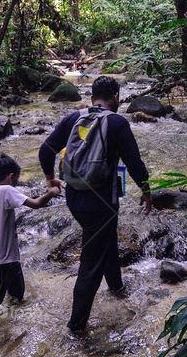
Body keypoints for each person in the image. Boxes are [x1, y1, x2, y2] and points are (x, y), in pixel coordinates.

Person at [39, 76, 152, 333]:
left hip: (74, 198)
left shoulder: (72, 119)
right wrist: (146, 192)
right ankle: (76, 328)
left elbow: (45, 151)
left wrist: (50, 180)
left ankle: (116, 287)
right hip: (102, 201)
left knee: (105, 238)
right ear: (116, 98)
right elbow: (134, 163)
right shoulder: (118, 123)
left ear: (91, 98)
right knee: (91, 263)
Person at [0, 154, 59, 332]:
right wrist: (51, 193)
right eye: (17, 177)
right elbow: (36, 204)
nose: (17, 181)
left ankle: (9, 321)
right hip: (1, 257)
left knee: (16, 291)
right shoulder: (7, 190)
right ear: (11, 176)